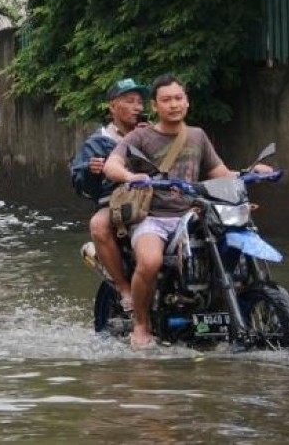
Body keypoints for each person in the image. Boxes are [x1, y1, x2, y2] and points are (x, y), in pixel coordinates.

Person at [102, 74, 273, 350]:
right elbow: (112, 165)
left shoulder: (197, 136)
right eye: (166, 100)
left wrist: (250, 173)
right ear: (155, 106)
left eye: (178, 98)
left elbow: (221, 174)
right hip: (153, 218)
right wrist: (130, 176)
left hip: (191, 215)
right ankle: (141, 325)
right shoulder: (140, 135)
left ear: (187, 102)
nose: (173, 104)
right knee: (150, 261)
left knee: (228, 244)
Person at [70, 78, 149, 313]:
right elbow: (80, 186)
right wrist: (90, 171)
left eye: (140, 102)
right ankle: (125, 290)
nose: (138, 107)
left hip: (155, 200)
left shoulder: (154, 134)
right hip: (116, 205)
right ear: (113, 107)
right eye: (129, 101)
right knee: (98, 225)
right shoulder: (98, 142)